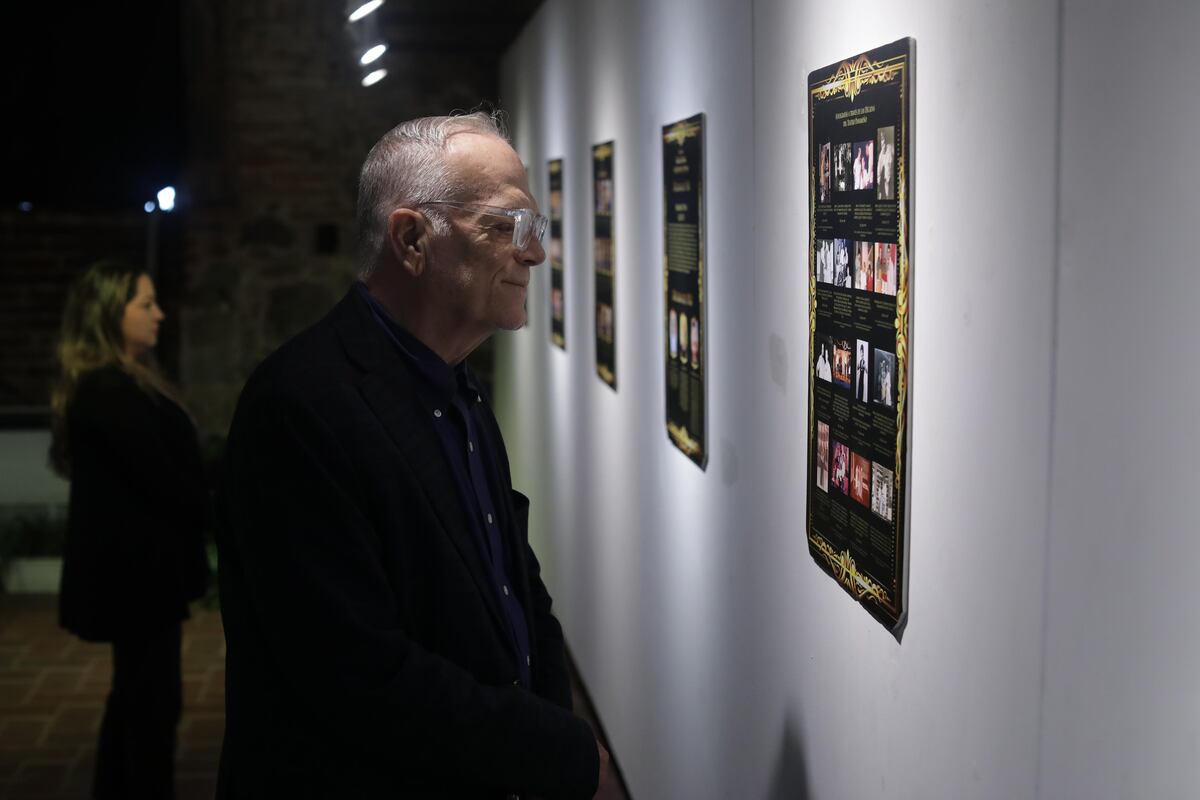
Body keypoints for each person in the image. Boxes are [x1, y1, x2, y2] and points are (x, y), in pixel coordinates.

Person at [216, 112, 616, 799]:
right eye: (507, 228)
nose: (534, 255)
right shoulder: (300, 405)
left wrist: (548, 733)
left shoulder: (456, 385)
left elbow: (513, 583)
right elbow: (356, 673)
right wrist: (557, 749)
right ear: (411, 239)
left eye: (536, 231)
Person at [49, 260, 209, 800]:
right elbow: (168, 480)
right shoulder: (108, 391)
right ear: (108, 314)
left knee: (138, 698)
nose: (158, 314)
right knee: (151, 706)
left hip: (141, 575)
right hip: (135, 579)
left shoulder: (123, 382)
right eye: (145, 305)